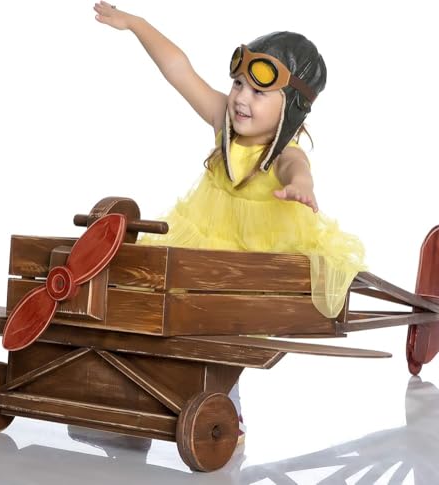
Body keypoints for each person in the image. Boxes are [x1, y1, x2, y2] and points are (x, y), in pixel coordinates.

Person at [94, 1, 367, 446]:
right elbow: (179, 71)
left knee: (222, 331)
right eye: (239, 83)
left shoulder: (284, 153)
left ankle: (228, 413)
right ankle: (145, 403)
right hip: (205, 241)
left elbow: (298, 169)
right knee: (159, 307)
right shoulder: (223, 122)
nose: (241, 98)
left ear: (291, 107)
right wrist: (138, 25)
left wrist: (301, 187)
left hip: (254, 257)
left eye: (259, 93)